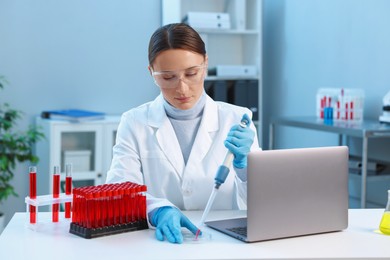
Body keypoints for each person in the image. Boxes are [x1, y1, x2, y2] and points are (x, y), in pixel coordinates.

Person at [106, 23, 260, 244]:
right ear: (151, 73)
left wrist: (245, 170)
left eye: (191, 73)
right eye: (168, 77)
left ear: (205, 64)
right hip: (157, 241)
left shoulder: (237, 120)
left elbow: (260, 205)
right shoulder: (134, 122)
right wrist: (157, 210)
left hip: (223, 243)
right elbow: (119, 191)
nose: (182, 88)